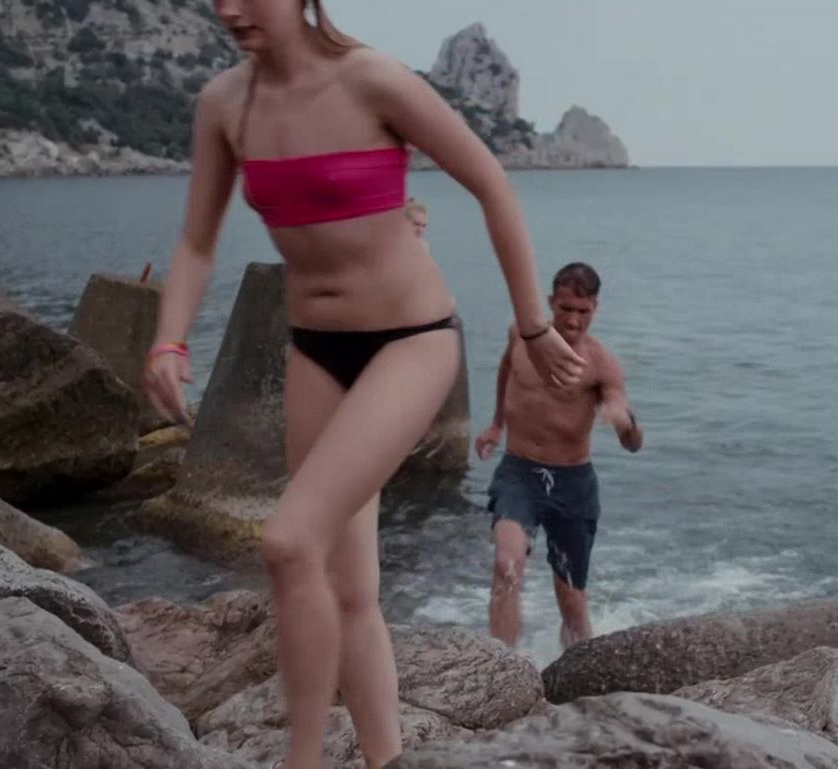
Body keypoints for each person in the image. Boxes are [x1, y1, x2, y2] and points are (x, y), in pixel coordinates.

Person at [139, 2, 587, 767]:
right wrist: (169, 339)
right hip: (317, 349)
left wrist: (535, 327)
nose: (229, 9)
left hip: (412, 341)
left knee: (288, 542)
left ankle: (303, 759)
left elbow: (492, 184)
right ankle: (386, 758)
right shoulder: (223, 104)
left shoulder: (372, 79)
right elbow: (196, 241)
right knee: (349, 588)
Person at [474, 262, 642, 650]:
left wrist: (625, 422)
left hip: (572, 483)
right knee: (507, 566)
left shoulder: (600, 364)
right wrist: (496, 424)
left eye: (583, 311)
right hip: (519, 472)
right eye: (565, 308)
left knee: (571, 601)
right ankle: (503, 667)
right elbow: (507, 368)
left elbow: (632, 441)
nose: (572, 320)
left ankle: (580, 673)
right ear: (551, 303)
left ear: (595, 307)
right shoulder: (521, 334)